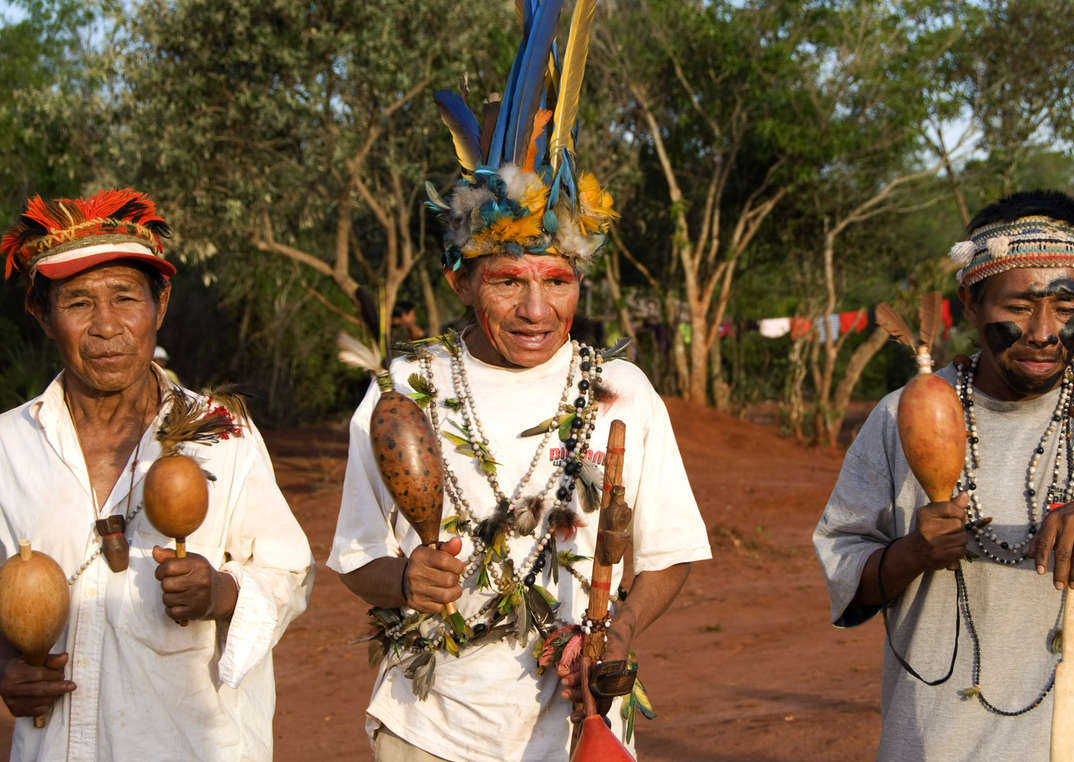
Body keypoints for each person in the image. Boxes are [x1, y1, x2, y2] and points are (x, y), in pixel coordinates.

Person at [327, 7, 711, 761]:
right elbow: (355, 558)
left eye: (558, 280)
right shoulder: (407, 386)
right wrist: (406, 579)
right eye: (508, 280)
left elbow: (668, 556)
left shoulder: (623, 390)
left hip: (581, 728)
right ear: (462, 281)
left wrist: (619, 631)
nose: (538, 310)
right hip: (428, 728)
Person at [814, 190, 1074, 761]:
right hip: (939, 743)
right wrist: (913, 554)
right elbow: (847, 569)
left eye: (1067, 308)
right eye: (1018, 307)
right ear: (970, 302)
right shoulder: (901, 414)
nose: (1044, 330)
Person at [0, 189, 315, 761]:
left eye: (125, 297)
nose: (106, 326)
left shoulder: (225, 436)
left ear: (160, 305)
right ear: (42, 316)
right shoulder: (8, 446)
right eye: (77, 304)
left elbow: (290, 572)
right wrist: (5, 667)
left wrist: (220, 592)